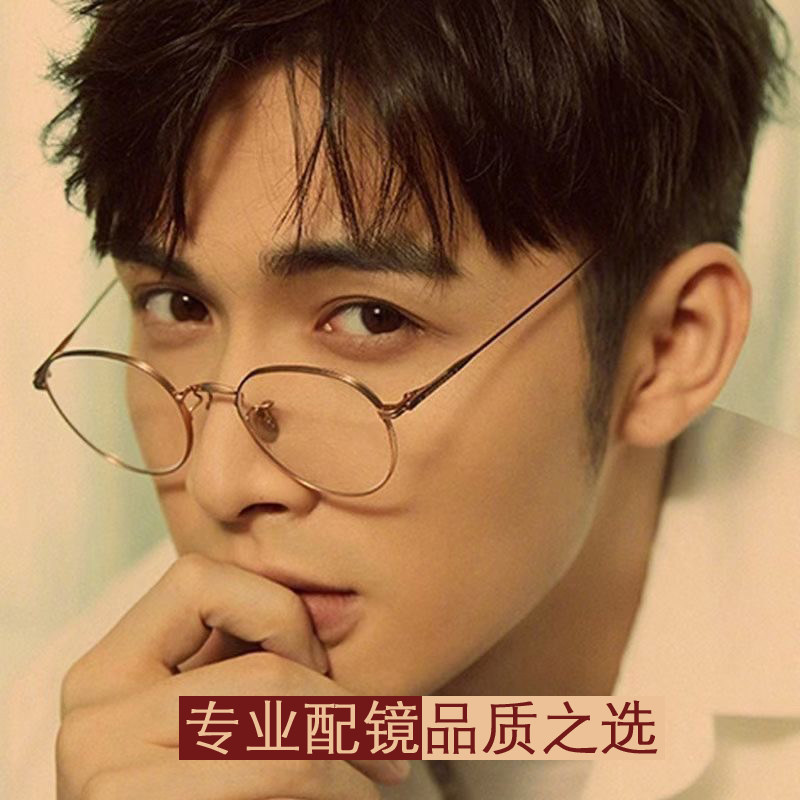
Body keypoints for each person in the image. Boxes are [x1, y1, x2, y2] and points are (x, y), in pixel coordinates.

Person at [15, 1, 799, 797]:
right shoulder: (79, 728)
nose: (220, 481)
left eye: (371, 318)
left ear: (669, 348)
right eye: (177, 306)